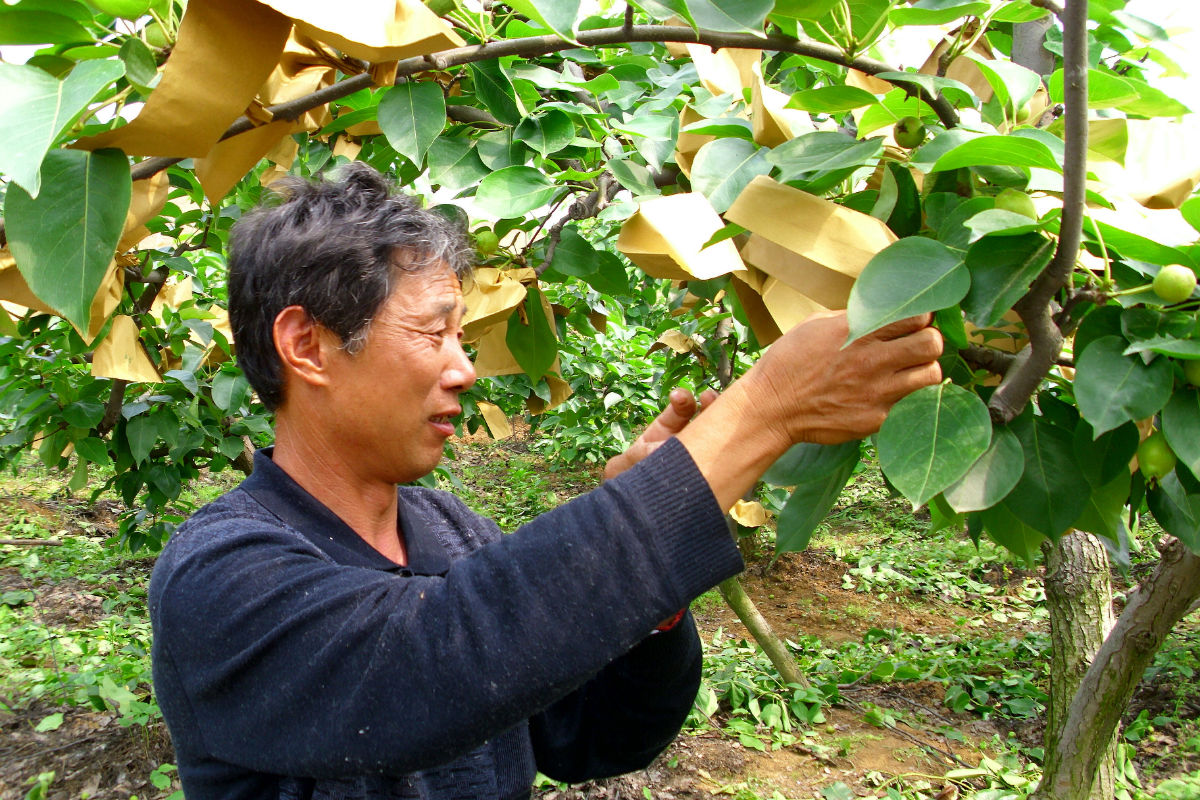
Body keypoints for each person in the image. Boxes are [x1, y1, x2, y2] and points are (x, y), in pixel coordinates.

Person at [148, 163, 942, 800]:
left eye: (463, 335)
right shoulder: (221, 572)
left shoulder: (451, 529)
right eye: (433, 332)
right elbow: (435, 660)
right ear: (308, 345)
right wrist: (761, 414)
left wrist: (654, 594)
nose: (465, 368)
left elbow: (594, 736)